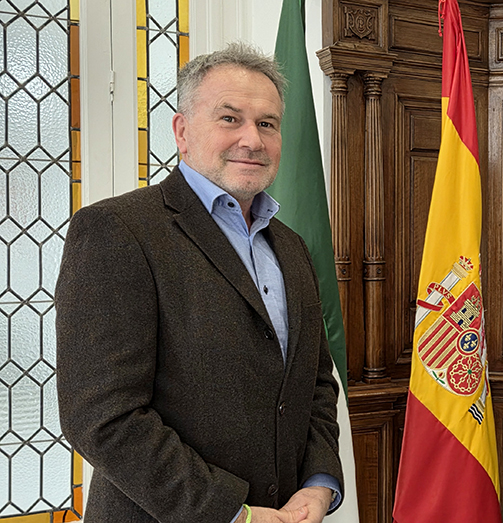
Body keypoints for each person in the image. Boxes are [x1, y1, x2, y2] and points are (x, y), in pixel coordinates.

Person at [56, 43, 343, 523]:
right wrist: (232, 513)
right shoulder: (116, 230)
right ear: (182, 131)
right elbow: (104, 417)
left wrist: (319, 484)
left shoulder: (292, 247)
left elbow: (313, 385)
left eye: (267, 123)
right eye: (230, 119)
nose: (252, 139)